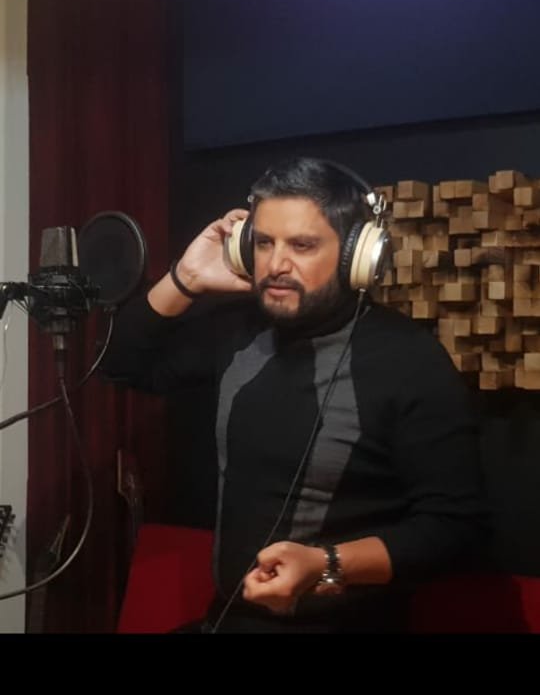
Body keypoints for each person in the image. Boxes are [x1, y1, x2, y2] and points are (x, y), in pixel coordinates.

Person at [102, 157, 486, 633]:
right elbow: (118, 364)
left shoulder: (409, 361)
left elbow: (457, 529)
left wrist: (327, 563)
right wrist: (186, 278)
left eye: (302, 245)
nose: (276, 265)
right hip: (226, 621)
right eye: (264, 243)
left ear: (356, 254)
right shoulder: (240, 333)